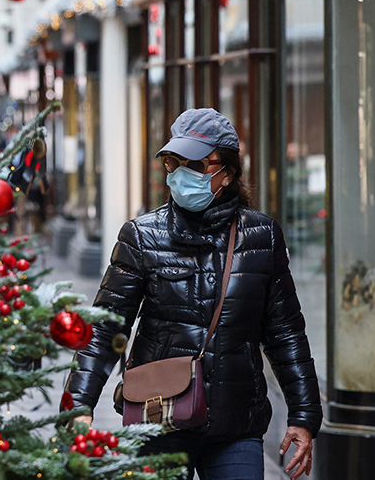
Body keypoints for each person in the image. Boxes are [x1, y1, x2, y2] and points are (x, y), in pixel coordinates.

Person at [65, 108, 320, 480]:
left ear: (228, 173)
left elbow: (285, 333)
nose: (180, 174)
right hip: (159, 416)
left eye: (195, 165)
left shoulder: (262, 237)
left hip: (236, 422)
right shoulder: (141, 236)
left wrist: (303, 415)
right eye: (172, 162)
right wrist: (80, 404)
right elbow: (104, 328)